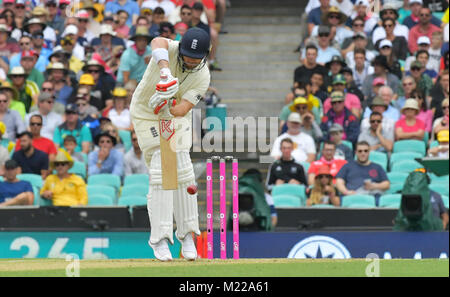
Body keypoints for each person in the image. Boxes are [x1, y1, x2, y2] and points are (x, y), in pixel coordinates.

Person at [130, 28, 212, 261]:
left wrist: (167, 101)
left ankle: (187, 235)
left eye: (195, 58)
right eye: (186, 55)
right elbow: (157, 40)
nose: (189, 60)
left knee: (183, 170)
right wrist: (165, 72)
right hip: (146, 113)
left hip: (175, 116)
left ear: (206, 55)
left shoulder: (203, 76)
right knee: (161, 168)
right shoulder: (171, 49)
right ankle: (160, 239)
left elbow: (182, 109)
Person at [336, 141, 390, 206]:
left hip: (372, 197)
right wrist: (347, 192)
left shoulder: (377, 167)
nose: (363, 153)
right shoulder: (347, 166)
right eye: (360, 151)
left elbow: (387, 184)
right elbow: (339, 182)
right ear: (356, 152)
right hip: (351, 197)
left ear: (369, 152)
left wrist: (374, 186)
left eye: (365, 151)